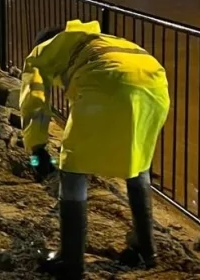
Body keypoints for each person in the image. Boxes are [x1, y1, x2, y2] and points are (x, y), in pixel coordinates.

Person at [20, 20, 170, 279]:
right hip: (156, 87)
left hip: (108, 83)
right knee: (138, 161)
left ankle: (70, 261)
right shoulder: (103, 42)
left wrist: (38, 147)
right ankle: (147, 249)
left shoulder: (43, 51)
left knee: (72, 167)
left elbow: (35, 99)